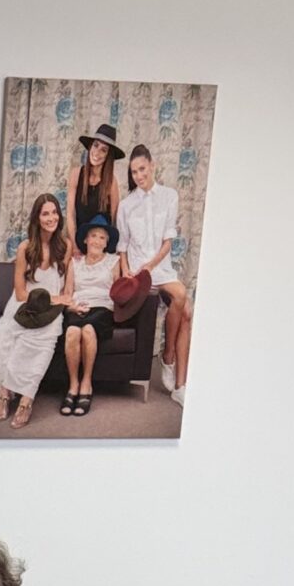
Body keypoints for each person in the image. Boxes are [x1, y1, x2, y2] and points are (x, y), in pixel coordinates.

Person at [0, 193, 71, 427]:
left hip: (52, 310)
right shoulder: (25, 248)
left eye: (54, 212)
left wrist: (65, 301)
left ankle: (27, 399)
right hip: (24, 307)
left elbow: (67, 288)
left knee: (45, 341)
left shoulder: (65, 246)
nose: (51, 218)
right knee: (13, 336)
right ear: (37, 218)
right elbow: (21, 293)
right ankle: (5, 392)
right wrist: (55, 298)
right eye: (45, 214)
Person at [117, 142, 190, 403]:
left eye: (142, 169)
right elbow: (122, 246)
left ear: (152, 166)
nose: (139, 175)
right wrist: (127, 272)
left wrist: (151, 265)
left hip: (160, 267)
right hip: (138, 273)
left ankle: (170, 361)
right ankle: (175, 375)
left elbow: (168, 242)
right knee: (186, 311)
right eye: (134, 171)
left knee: (183, 301)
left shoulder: (169, 196)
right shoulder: (126, 205)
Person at [59, 217, 118, 417]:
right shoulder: (74, 262)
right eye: (93, 236)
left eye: (102, 238)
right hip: (77, 306)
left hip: (102, 307)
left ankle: (86, 383)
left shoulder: (114, 261)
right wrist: (72, 307)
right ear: (85, 240)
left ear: (106, 243)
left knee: (88, 330)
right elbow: (68, 292)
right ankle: (73, 385)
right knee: (72, 332)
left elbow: (118, 293)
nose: (97, 241)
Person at [71, 121, 121, 246]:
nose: (97, 152)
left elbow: (115, 221)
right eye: (95, 145)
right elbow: (71, 214)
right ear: (90, 147)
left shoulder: (112, 182)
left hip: (100, 246)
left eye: (103, 150)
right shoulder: (76, 174)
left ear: (108, 156)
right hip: (79, 243)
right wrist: (75, 246)